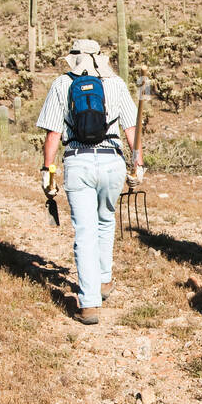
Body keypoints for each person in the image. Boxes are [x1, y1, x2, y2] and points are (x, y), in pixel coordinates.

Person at [37, 38, 143, 326]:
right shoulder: (116, 84)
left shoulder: (62, 83)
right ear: (100, 58)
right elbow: (131, 129)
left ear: (74, 59)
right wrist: (138, 164)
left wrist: (48, 171)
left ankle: (88, 304)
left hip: (77, 161)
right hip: (112, 160)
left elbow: (52, 135)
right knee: (106, 220)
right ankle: (104, 280)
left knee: (84, 231)